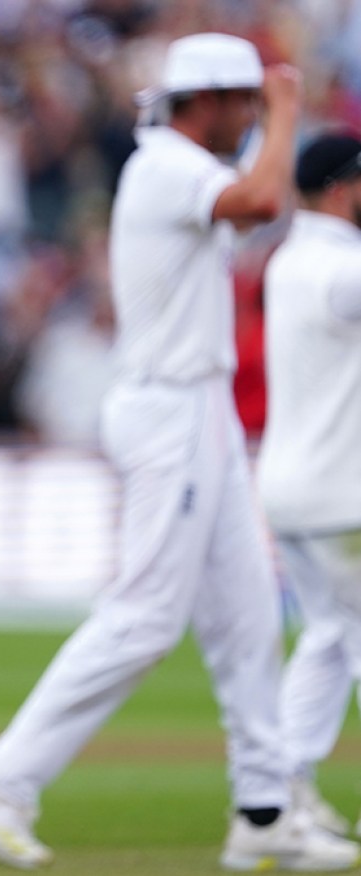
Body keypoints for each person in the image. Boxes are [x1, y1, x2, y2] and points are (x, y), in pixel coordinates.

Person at [0, 33, 361, 872]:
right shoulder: (167, 162)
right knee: (145, 616)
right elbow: (258, 199)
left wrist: (270, 117)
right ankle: (5, 774)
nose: (250, 117)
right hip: (168, 407)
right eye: (242, 102)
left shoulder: (173, 162)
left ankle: (264, 807)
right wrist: (286, 115)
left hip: (195, 405)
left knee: (247, 623)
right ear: (205, 101)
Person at [259, 132, 361, 838]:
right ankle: (283, 795)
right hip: (339, 496)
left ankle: (284, 789)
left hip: (292, 489)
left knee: (330, 638)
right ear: (338, 187)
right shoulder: (340, 267)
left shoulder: (289, 260)